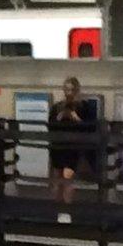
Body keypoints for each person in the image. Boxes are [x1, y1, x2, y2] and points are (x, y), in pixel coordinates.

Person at [48, 76, 97, 210]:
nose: (69, 93)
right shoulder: (57, 107)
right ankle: (56, 209)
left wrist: (76, 118)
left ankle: (67, 210)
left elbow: (91, 127)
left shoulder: (84, 107)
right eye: (67, 89)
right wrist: (59, 117)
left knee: (68, 178)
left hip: (73, 148)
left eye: (72, 90)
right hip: (58, 147)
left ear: (77, 90)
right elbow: (50, 126)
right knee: (58, 179)